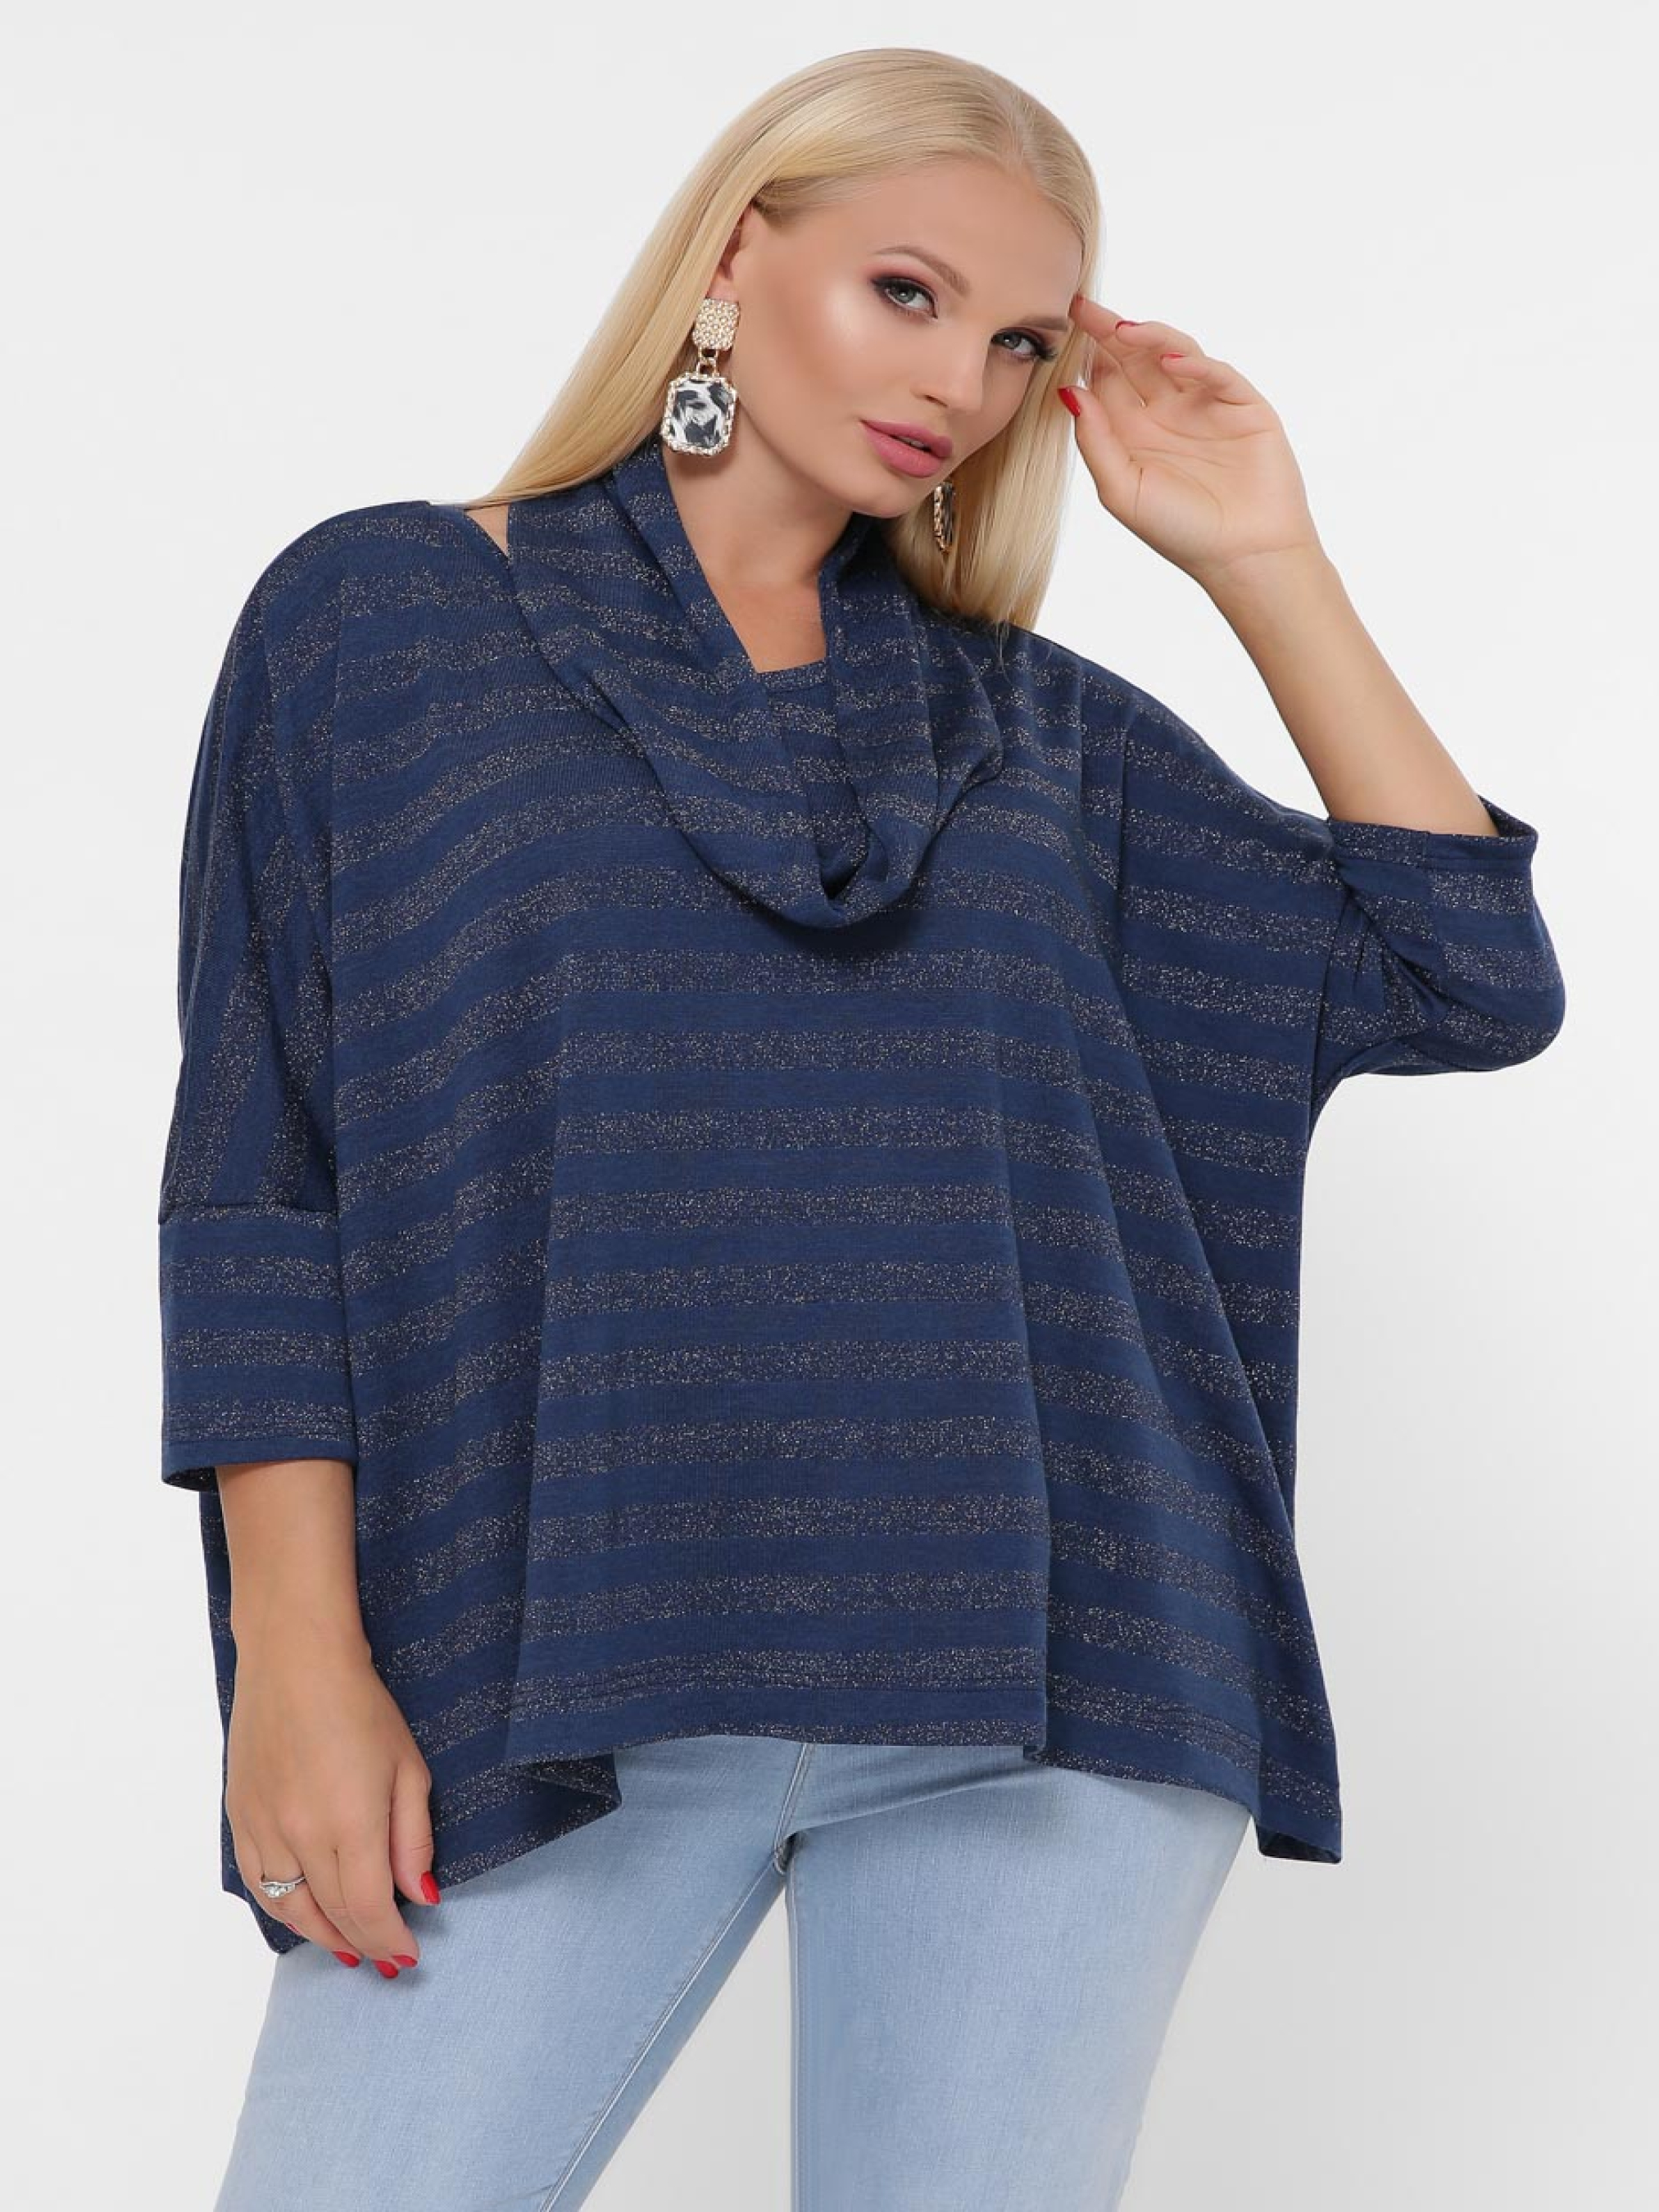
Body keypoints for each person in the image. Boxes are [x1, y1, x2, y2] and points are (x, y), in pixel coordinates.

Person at [157, 47, 1566, 2212]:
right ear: (736, 256)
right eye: (907, 291)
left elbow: (1463, 970)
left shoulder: (1035, 738)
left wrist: (1262, 555)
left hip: (1051, 1685)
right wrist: (298, 1658)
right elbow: (265, 1173)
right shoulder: (387, 624)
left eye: (1014, 345)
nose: (956, 385)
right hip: (555, 1664)